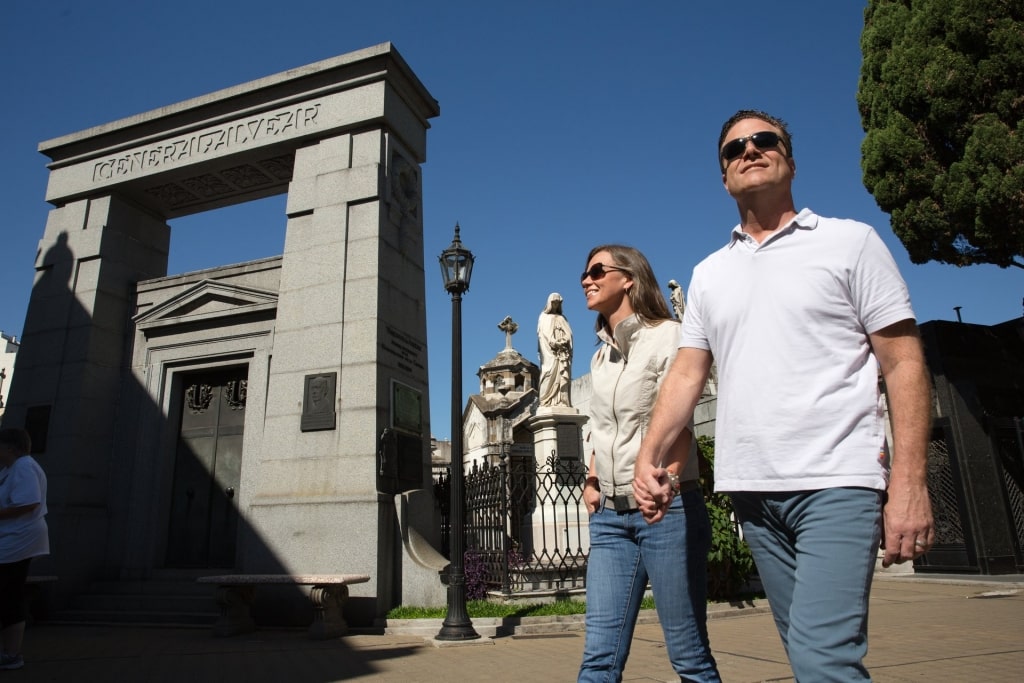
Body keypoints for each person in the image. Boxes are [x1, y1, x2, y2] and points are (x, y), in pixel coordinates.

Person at [633, 110, 934, 681]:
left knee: (824, 660)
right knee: (806, 657)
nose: (749, 150)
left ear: (789, 160)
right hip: (754, 494)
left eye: (764, 140)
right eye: (733, 148)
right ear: (723, 176)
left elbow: (904, 363)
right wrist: (649, 456)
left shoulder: (851, 243)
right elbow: (685, 375)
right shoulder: (709, 274)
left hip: (838, 482)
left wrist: (910, 483)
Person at [578, 245, 720, 683]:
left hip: (667, 511)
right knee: (598, 658)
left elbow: (680, 424)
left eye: (597, 270)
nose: (586, 279)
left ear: (630, 279)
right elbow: (604, 428)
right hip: (609, 520)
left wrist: (669, 481)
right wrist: (593, 478)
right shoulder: (599, 357)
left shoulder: (671, 336)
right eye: (584, 273)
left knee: (688, 654)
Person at [0, 427, 49, 671]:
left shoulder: (24, 467)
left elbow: (29, 502)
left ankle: (11, 653)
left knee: (8, 594)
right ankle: (9, 652)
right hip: (13, 539)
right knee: (9, 594)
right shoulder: (12, 469)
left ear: (10, 447)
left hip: (17, 540)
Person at [537, 292, 573, 408]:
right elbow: (543, 335)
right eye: (554, 303)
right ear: (549, 303)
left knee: (562, 376)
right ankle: (546, 401)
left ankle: (562, 401)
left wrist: (564, 341)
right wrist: (553, 342)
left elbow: (569, 334)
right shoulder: (544, 317)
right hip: (550, 353)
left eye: (558, 303)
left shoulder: (563, 318)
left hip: (562, 352)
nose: (556, 305)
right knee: (548, 372)